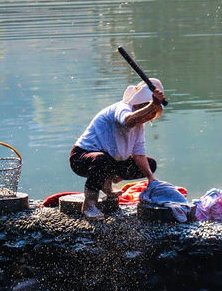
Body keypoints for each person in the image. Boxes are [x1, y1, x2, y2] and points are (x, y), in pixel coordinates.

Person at [69, 79, 165, 220]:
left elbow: (138, 154)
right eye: (150, 110)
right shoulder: (122, 108)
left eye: (154, 112)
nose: (151, 115)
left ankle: (106, 182)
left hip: (110, 160)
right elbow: (128, 121)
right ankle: (89, 204)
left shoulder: (140, 126)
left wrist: (151, 178)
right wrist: (153, 105)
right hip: (82, 158)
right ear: (142, 104)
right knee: (102, 160)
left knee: (150, 164)